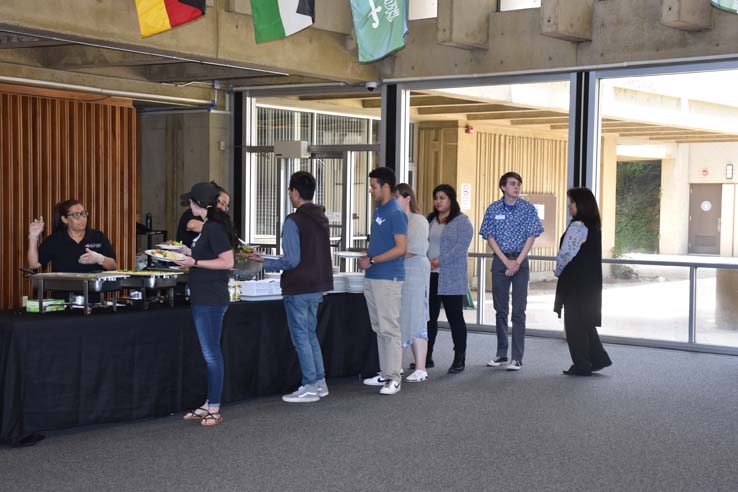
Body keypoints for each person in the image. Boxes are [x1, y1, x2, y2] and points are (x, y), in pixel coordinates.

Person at [248, 171, 334, 403]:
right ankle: (319, 383)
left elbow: (292, 260)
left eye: (290, 191)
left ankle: (308, 385)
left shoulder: (293, 220)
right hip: (317, 286)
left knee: (301, 338)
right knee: (310, 335)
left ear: (295, 192)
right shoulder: (321, 218)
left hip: (298, 287)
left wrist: (263, 261)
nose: (289, 195)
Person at [175, 182, 235, 427]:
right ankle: (209, 402)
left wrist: (194, 262)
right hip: (204, 296)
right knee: (209, 353)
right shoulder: (209, 229)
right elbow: (207, 255)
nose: (189, 206)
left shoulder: (213, 228)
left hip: (211, 298)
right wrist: (187, 252)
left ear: (199, 204)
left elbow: (227, 262)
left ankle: (214, 406)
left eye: (191, 202)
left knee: (212, 355)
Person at [480, 172, 543, 371]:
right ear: (503, 187)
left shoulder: (528, 208)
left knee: (518, 311)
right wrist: (506, 261)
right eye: (513, 184)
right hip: (500, 260)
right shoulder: (493, 209)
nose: (517, 187)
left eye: (519, 184)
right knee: (500, 311)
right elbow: (489, 237)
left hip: (521, 261)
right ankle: (501, 354)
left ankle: (517, 357)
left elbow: (532, 236)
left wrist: (516, 262)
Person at [358, 167, 408, 395]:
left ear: (386, 186)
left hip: (388, 277)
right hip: (373, 275)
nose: (371, 190)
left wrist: (373, 259)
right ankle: (385, 373)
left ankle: (395, 377)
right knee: (379, 327)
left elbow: (401, 248)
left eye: (374, 186)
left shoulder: (396, 212)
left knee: (390, 328)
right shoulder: (380, 208)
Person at [554, 187, 612, 376]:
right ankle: (597, 359)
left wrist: (558, 271)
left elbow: (565, 255)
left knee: (574, 325)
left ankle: (582, 364)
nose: (569, 206)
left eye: (572, 202)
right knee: (585, 322)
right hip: (589, 283)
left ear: (581, 205)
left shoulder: (578, 226)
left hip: (575, 284)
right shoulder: (592, 225)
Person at [424, 184, 474, 374]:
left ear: (451, 199)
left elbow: (462, 246)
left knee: (455, 319)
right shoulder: (429, 220)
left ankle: (459, 358)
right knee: (429, 319)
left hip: (451, 277)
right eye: (436, 197)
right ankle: (426, 356)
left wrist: (440, 261)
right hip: (430, 277)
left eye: (442, 197)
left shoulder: (462, 221)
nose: (438, 201)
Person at [394, 183, 431, 383]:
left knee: (417, 318)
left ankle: (420, 367)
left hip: (415, 272)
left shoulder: (418, 220)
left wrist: (384, 257)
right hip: (400, 273)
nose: (394, 201)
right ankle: (395, 365)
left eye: (397, 197)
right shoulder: (397, 219)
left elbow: (413, 248)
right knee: (400, 319)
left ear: (408, 198)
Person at [28, 199, 117, 272]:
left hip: (92, 291)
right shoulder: (55, 240)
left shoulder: (98, 237)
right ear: (64, 219)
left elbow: (113, 265)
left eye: (83, 214)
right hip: (62, 292)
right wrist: (33, 237)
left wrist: (99, 259)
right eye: (76, 215)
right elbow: (34, 264)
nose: (82, 218)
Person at [176, 182, 230, 248]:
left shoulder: (215, 218)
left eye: (226, 206)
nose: (223, 209)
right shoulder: (191, 213)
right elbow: (192, 225)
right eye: (221, 203)